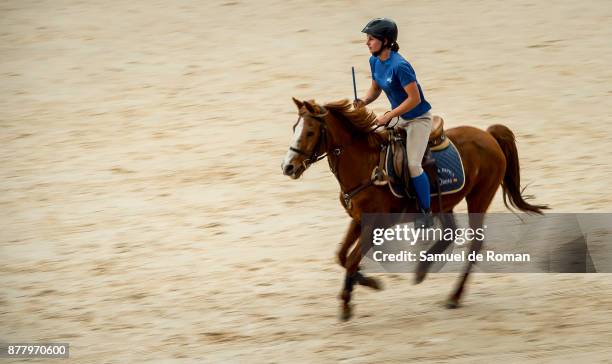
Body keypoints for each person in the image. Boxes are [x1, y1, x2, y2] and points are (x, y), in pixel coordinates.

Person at [354, 18, 433, 221]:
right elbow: (375, 89)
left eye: (371, 39)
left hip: (417, 119)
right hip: (398, 117)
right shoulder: (374, 60)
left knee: (414, 165)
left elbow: (415, 99)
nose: (367, 43)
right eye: (367, 39)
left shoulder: (401, 66)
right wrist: (363, 101)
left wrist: (389, 115)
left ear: (386, 40)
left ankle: (426, 213)